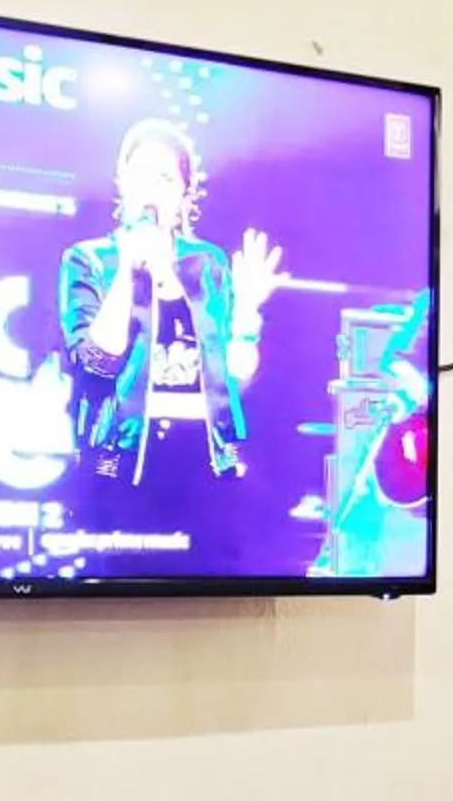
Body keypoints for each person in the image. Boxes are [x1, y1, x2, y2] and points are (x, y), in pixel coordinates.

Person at [59, 120, 287, 514]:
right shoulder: (90, 259)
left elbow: (236, 378)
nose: (151, 187)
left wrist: (247, 310)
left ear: (185, 195)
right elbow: (97, 363)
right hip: (121, 457)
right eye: (141, 173)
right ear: (122, 182)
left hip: (207, 458)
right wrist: (129, 269)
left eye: (164, 178)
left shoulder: (208, 264)